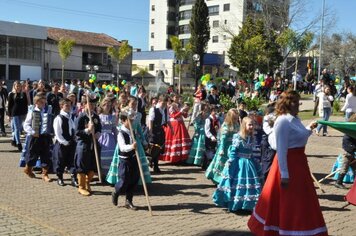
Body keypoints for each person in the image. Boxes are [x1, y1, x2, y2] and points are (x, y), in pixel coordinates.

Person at [248, 90, 327, 236]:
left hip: (299, 164)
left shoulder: (294, 119)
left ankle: (301, 229)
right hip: (288, 165)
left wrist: (309, 128)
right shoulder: (283, 120)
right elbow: (281, 148)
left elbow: (299, 137)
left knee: (301, 202)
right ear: (287, 104)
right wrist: (284, 174)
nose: (298, 105)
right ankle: (287, 229)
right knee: (288, 202)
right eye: (294, 102)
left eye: (298, 101)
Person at [212, 117, 261, 212]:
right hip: (239, 164)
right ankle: (236, 204)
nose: (251, 126)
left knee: (249, 184)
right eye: (249, 125)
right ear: (244, 125)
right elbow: (233, 151)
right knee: (238, 183)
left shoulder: (251, 137)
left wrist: (256, 162)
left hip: (249, 163)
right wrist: (230, 161)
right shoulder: (238, 136)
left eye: (252, 125)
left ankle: (247, 205)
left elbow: (251, 152)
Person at [74, 94, 102, 196]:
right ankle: (81, 187)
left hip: (93, 144)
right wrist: (87, 130)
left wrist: (98, 133)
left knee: (92, 166)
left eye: (93, 104)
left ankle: (87, 183)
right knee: (82, 165)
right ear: (84, 105)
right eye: (89, 104)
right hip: (83, 145)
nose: (92, 106)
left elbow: (99, 128)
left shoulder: (96, 117)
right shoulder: (81, 117)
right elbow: (77, 132)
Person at [111, 112, 139, 210]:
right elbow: (122, 147)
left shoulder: (132, 131)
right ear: (123, 121)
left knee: (134, 179)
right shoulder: (120, 133)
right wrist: (132, 146)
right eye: (129, 121)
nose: (131, 122)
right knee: (124, 180)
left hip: (133, 158)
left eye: (132, 120)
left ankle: (129, 201)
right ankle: (116, 191)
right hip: (125, 160)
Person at [22, 93, 52, 182]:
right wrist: (32, 132)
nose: (44, 104)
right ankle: (28, 169)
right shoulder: (32, 111)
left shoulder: (47, 111)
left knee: (46, 155)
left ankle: (45, 174)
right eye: (42, 102)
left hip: (45, 137)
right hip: (35, 137)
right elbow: (26, 124)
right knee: (32, 155)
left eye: (44, 102)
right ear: (37, 102)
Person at [206, 108, 239, 184]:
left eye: (236, 117)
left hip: (233, 146)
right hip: (226, 147)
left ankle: (229, 179)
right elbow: (223, 138)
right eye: (234, 117)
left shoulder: (237, 124)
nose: (235, 119)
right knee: (221, 163)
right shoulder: (226, 125)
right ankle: (218, 179)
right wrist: (222, 149)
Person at [52, 98, 78, 187]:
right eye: (66, 105)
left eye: (69, 105)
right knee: (61, 161)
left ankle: (73, 178)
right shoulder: (59, 118)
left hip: (71, 142)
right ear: (61, 106)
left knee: (72, 160)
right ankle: (60, 177)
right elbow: (58, 133)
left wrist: (74, 138)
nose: (68, 107)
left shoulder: (70, 117)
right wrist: (64, 142)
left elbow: (73, 128)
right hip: (62, 143)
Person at [334, 114, 356, 189]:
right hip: (348, 152)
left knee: (354, 167)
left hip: (352, 153)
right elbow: (347, 143)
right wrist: (353, 149)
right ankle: (338, 182)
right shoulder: (348, 133)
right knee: (344, 167)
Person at [148, 95, 169, 173]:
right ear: (159, 101)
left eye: (165, 104)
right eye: (163, 103)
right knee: (154, 148)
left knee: (159, 148)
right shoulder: (153, 109)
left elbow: (165, 120)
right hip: (154, 130)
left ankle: (155, 165)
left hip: (161, 129)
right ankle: (152, 162)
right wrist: (150, 131)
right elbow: (150, 121)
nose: (164, 105)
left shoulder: (164, 109)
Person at [98, 98, 117, 179]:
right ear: (102, 106)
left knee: (111, 156)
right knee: (102, 157)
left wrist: (117, 139)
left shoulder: (112, 117)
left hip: (110, 139)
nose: (107, 107)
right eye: (105, 105)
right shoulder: (99, 117)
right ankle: (102, 174)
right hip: (101, 138)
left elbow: (114, 129)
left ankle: (109, 175)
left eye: (109, 105)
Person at [8, 81, 28, 151]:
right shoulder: (11, 94)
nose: (18, 87)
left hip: (22, 113)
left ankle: (13, 139)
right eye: (17, 86)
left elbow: (26, 104)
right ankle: (18, 143)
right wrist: (9, 115)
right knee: (16, 128)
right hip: (14, 113)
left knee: (19, 128)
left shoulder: (23, 94)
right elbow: (9, 106)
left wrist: (26, 113)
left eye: (19, 86)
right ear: (14, 86)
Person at [202, 105, 219, 170]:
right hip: (209, 138)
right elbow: (207, 130)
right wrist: (211, 136)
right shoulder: (208, 119)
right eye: (214, 111)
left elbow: (218, 128)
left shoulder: (217, 119)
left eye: (216, 111)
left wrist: (217, 131)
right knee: (208, 151)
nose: (215, 112)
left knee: (213, 150)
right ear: (211, 111)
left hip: (215, 137)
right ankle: (206, 165)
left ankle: (211, 165)